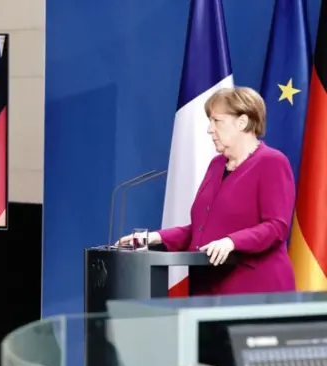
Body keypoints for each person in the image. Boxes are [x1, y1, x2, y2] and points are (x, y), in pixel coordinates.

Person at [117, 86, 296, 296]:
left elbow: (277, 227)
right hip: (207, 288)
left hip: (254, 290)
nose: (210, 129)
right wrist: (154, 238)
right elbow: (201, 230)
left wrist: (232, 242)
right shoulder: (216, 165)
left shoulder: (272, 162)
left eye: (217, 121)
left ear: (242, 122)